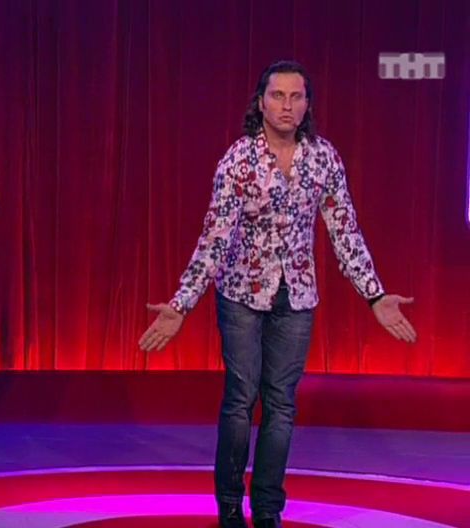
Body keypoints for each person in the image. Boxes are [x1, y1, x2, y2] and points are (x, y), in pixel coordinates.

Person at [139, 60, 416, 528]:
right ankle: (230, 504)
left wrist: (375, 295)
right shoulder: (238, 160)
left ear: (307, 105)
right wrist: (182, 304)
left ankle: (268, 508)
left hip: (297, 297)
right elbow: (214, 238)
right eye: (277, 96)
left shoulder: (323, 158)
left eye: (296, 97)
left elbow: (345, 232)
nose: (287, 106)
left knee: (282, 404)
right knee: (241, 397)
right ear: (261, 103)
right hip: (241, 295)